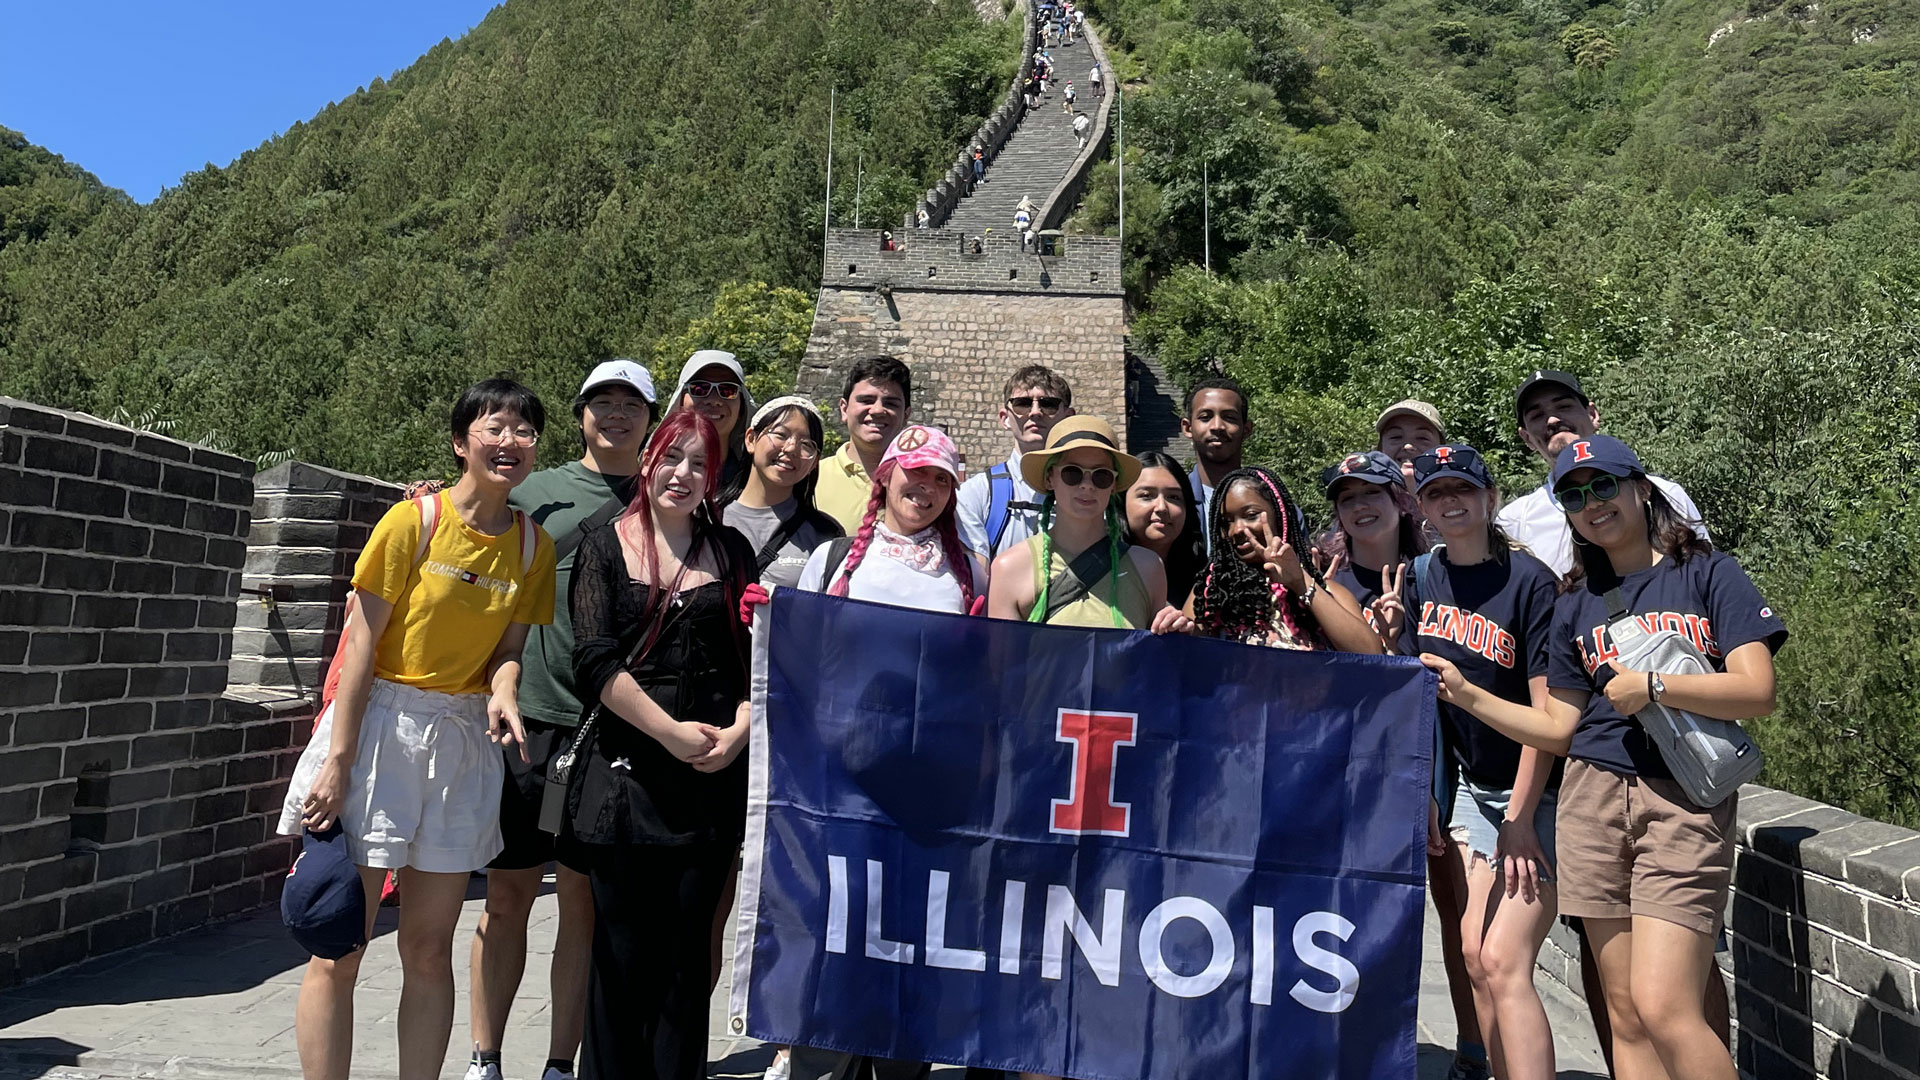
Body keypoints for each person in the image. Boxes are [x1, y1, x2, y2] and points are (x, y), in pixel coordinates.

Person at [1421, 434, 1784, 1080]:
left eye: (1604, 484)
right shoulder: (1576, 599)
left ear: (1642, 488)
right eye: (1574, 493)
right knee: (1622, 1011)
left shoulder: (1706, 573)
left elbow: (1757, 690)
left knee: (1666, 1006)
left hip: (1679, 802)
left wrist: (1656, 686)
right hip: (1590, 800)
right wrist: (1470, 695)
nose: (1592, 502)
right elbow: (1556, 727)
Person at [279, 378, 557, 1080]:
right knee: (340, 941)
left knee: (429, 949)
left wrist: (503, 691)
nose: (510, 442)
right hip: (381, 728)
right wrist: (337, 764)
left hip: (462, 740)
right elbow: (362, 647)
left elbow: (509, 652)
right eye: (495, 427)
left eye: (524, 431)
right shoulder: (414, 522)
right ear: (462, 442)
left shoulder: (531, 548)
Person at [468, 361, 656, 1080]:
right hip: (531, 717)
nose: (616, 415)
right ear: (580, 416)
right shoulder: (534, 494)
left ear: (650, 416)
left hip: (611, 730)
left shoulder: (667, 495)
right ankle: (485, 1056)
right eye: (601, 403)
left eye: (631, 404)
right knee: (508, 893)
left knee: (582, 903)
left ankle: (558, 1063)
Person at [783, 427, 981, 1080]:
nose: (923, 488)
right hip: (843, 786)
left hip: (931, 793)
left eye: (939, 479)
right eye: (913, 473)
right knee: (837, 938)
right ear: (886, 476)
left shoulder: (970, 567)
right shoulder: (837, 560)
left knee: (912, 946)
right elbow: (800, 665)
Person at [566, 409, 757, 1080]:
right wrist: (669, 732)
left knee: (685, 960)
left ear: (715, 478)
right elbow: (593, 662)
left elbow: (753, 661)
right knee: (620, 958)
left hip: (708, 780)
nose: (683, 475)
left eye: (700, 464)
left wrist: (739, 730)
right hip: (626, 777)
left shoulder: (731, 553)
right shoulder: (602, 545)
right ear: (648, 459)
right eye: (671, 458)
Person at [1376, 445, 1561, 1080]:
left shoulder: (1530, 582)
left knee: (1505, 960)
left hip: (1540, 793)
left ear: (1489, 499)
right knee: (1475, 954)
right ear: (1422, 508)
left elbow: (1548, 718)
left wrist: (1520, 817)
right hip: (1476, 788)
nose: (1450, 502)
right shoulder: (1424, 576)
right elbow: (1423, 698)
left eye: (1462, 489)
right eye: (1435, 493)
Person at [1315, 448, 1490, 1079]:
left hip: (1441, 757)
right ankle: (1354, 1047)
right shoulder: (1324, 579)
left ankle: (1474, 1050)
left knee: (1456, 907)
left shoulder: (1435, 572)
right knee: (1355, 910)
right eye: (1347, 498)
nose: (1361, 507)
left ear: (1401, 502)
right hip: (1353, 766)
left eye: (1374, 495)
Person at [986, 416, 1191, 635]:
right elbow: (1003, 666)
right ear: (1049, 478)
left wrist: (1175, 634)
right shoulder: (1009, 569)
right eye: (1072, 473)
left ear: (1113, 485)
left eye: (1100, 476)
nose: (1086, 485)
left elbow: (1153, 660)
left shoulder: (1148, 568)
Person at [1498, 369, 1708, 577]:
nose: (1552, 420)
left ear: (1592, 415)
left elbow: (1703, 575)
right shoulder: (1515, 522)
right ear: (1526, 437)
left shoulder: (1666, 494)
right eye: (1537, 415)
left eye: (1564, 406)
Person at [1185, 465, 1381, 654]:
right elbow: (1185, 656)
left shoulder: (1328, 590)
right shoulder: (1212, 590)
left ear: (1280, 517)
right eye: (1227, 521)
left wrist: (1300, 582)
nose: (1236, 530)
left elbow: (1370, 654)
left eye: (1251, 515)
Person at [799, 423, 984, 610]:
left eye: (942, 479)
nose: (928, 486)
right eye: (918, 469)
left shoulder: (971, 576)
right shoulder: (829, 559)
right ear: (885, 476)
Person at [955, 365, 1076, 567]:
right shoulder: (976, 494)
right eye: (1022, 404)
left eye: (1049, 404)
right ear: (1005, 418)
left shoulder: (1091, 492)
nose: (1035, 412)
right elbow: (978, 580)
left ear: (1069, 417)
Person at [724, 395, 842, 589]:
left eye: (806, 444)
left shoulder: (825, 533)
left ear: (814, 462)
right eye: (780, 434)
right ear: (751, 439)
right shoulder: (707, 516)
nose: (791, 448)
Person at [816, 355, 912, 533]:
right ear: (844, 409)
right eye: (866, 400)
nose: (877, 410)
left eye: (890, 403)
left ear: (906, 415)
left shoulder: (919, 482)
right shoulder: (811, 478)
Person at [663, 349, 754, 503]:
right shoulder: (655, 475)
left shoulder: (753, 483)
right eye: (700, 388)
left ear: (742, 409)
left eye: (727, 390)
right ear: (680, 401)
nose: (714, 400)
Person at [1123, 450, 1204, 610]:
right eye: (1146, 496)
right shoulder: (1104, 574)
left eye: (1173, 497)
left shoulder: (1204, 578)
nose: (1161, 507)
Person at [1181, 376, 1252, 546]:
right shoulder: (1174, 503)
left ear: (1247, 429)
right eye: (1205, 417)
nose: (1217, 426)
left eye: (1229, 417)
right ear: (1187, 427)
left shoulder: (1274, 505)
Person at [1376, 399, 1445, 487]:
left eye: (1422, 438)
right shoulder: (1358, 498)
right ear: (1380, 447)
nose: (1408, 446)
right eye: (1396, 437)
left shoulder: (1461, 498)